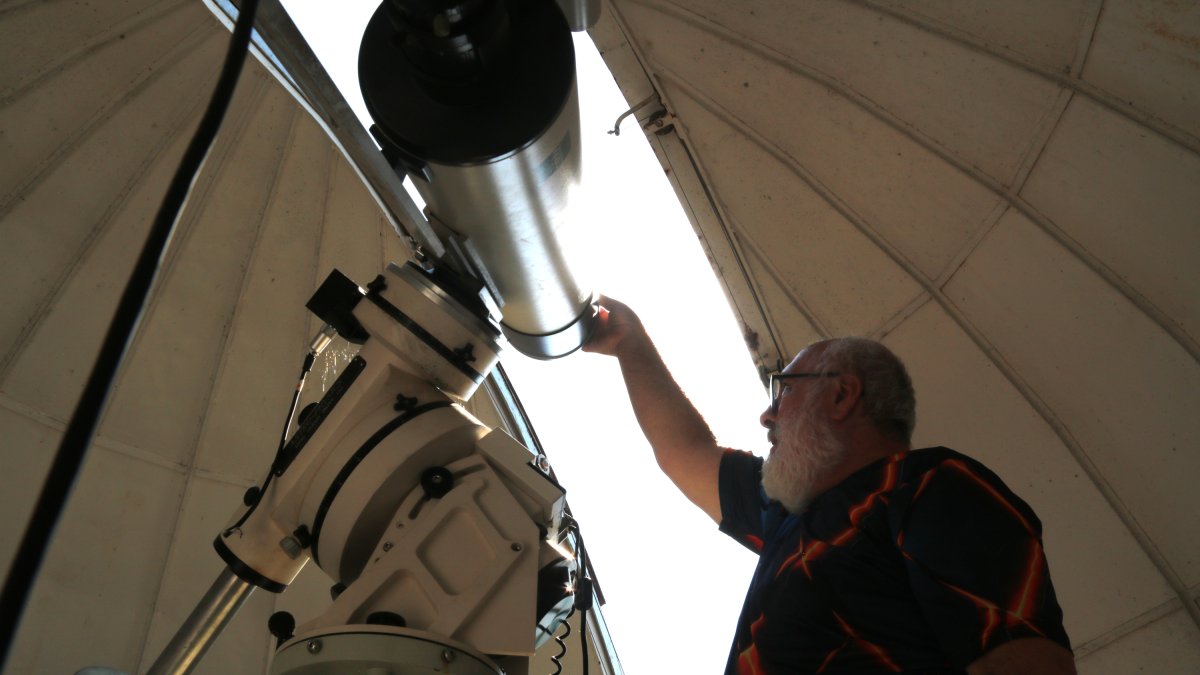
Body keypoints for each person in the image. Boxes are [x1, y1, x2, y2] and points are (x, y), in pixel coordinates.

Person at [583, 296, 1075, 675]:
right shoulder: (788, 516)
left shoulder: (929, 487)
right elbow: (685, 453)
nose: (767, 414)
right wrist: (630, 343)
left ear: (842, 395)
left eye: (786, 389)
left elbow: (1029, 662)